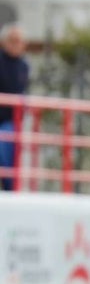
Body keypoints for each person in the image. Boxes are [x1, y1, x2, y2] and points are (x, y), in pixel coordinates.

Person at [0, 24, 30, 192]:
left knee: (10, 157)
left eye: (19, 41)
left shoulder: (23, 65)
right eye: (12, 41)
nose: (16, 44)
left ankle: (11, 191)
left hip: (12, 120)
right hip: (4, 119)